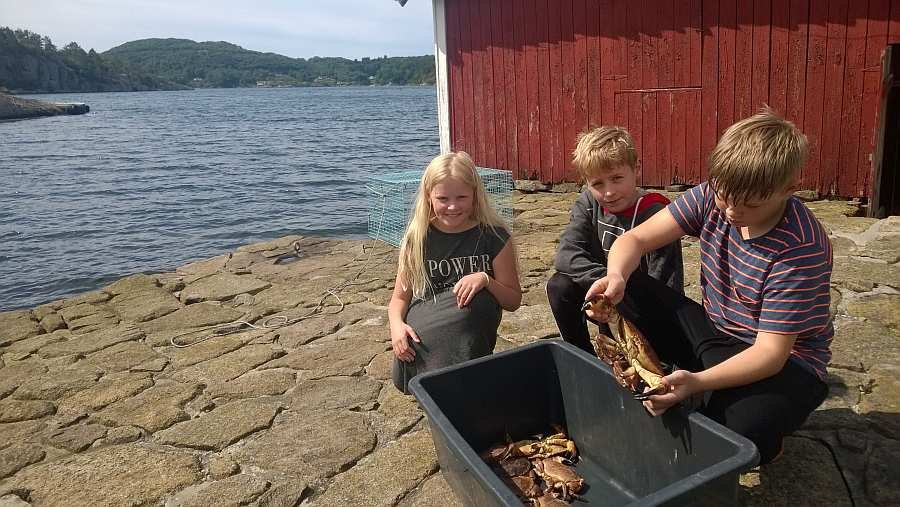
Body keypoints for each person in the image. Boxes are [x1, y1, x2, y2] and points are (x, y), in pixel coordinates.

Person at [586, 107, 832, 465]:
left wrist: (699, 383)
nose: (731, 211)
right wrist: (617, 277)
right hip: (718, 332)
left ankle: (715, 398)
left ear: (789, 189)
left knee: (739, 430)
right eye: (723, 195)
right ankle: (682, 380)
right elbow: (634, 240)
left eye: (749, 204)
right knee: (623, 291)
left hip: (785, 363)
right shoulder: (713, 196)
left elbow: (769, 354)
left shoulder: (799, 249)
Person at [389, 151, 522, 394]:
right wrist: (397, 326)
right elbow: (399, 299)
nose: (452, 206)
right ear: (429, 197)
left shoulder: (495, 237)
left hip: (466, 335)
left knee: (477, 301)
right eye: (443, 198)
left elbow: (513, 301)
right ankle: (434, 383)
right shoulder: (416, 239)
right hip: (420, 337)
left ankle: (448, 385)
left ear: (475, 195)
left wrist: (485, 279)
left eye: (461, 197)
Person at [548, 126, 683, 355]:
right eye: (598, 184)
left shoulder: (656, 213)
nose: (609, 192)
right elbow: (566, 255)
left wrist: (619, 294)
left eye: (617, 179)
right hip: (606, 289)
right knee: (558, 286)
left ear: (636, 169)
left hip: (642, 300)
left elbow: (666, 285)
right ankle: (581, 355)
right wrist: (607, 285)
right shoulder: (589, 203)